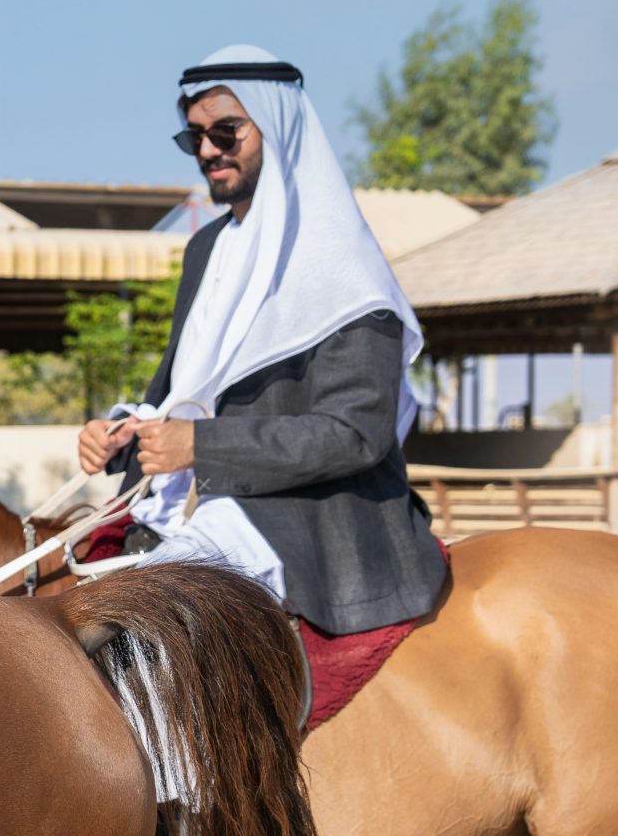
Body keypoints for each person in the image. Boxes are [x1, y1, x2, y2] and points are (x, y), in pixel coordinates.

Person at [74, 46, 445, 636]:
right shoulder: (207, 248)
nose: (207, 151)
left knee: (124, 637)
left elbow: (356, 434)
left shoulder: (342, 266)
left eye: (227, 132)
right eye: (193, 137)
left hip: (311, 520)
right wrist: (123, 434)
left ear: (277, 127)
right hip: (194, 506)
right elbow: (184, 396)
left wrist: (201, 447)